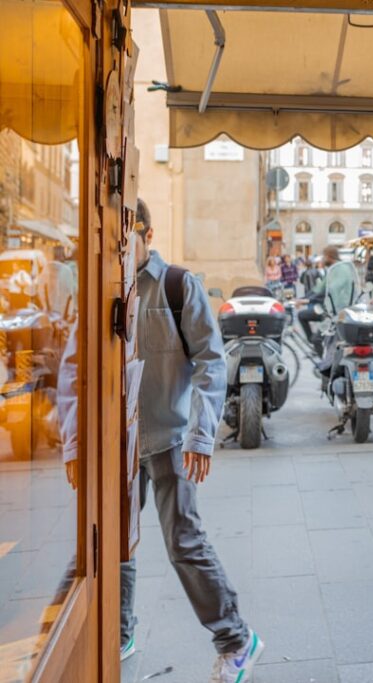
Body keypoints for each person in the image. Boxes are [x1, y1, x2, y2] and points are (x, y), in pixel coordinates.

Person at [71, 199, 264, 683]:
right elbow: (75, 367)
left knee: (183, 542)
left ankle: (237, 641)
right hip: (118, 443)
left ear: (147, 234)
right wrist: (75, 441)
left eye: (126, 235)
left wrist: (202, 436)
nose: (116, 245)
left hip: (171, 438)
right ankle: (119, 631)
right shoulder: (97, 288)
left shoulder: (178, 285)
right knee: (112, 539)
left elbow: (211, 362)